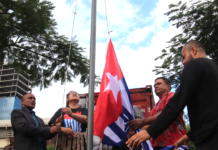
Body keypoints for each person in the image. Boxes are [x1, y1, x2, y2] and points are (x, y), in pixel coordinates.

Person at [126, 40, 218, 150]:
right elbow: (210, 112)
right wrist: (190, 135)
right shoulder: (213, 68)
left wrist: (150, 131)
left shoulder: (195, 64)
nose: (183, 62)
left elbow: (177, 103)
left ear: (193, 51)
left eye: (184, 57)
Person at [128, 77, 186, 150]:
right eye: (155, 85)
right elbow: (152, 124)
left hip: (174, 144)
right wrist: (136, 129)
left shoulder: (171, 96)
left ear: (168, 86)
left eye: (159, 84)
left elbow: (166, 113)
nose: (156, 86)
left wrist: (143, 121)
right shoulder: (156, 106)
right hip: (157, 145)